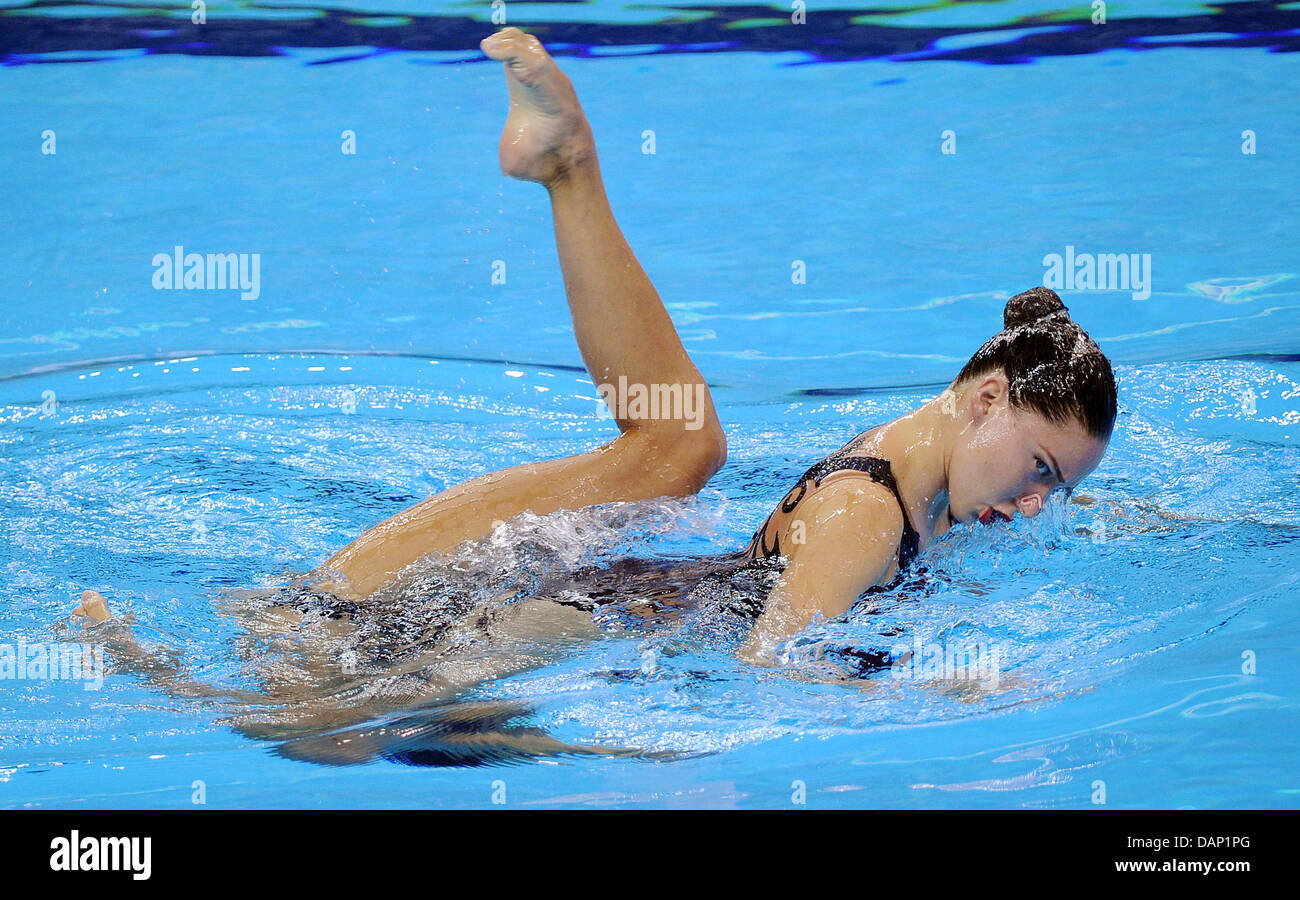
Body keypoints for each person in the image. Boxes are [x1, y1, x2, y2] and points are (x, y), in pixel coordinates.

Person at [76, 27, 1116, 689]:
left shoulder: (925, 466)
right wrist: (953, 686)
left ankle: (252, 636)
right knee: (322, 717)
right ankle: (183, 667)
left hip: (610, 599)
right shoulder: (864, 516)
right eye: (1039, 470)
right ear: (983, 399)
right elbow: (771, 670)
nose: (1036, 504)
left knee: (673, 446)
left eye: (1056, 490)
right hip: (577, 618)